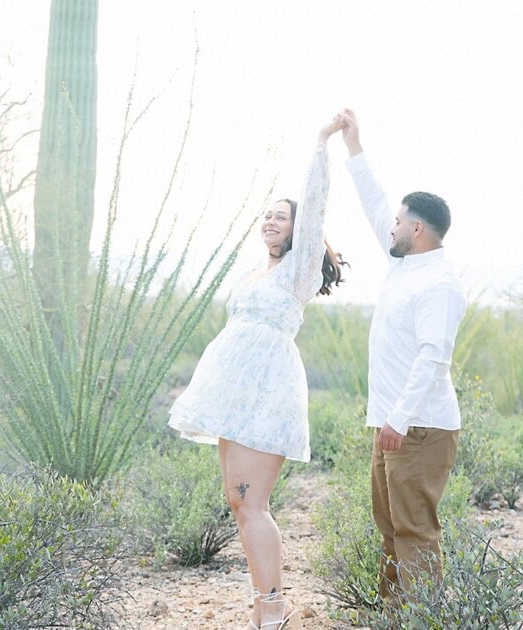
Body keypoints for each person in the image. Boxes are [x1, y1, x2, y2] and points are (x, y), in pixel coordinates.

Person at [168, 116, 347, 629]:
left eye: (281, 217)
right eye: (266, 216)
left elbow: (314, 206)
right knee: (238, 501)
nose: (271, 221)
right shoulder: (256, 273)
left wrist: (319, 144)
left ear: (299, 231)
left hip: (267, 392)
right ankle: (264, 601)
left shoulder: (299, 270)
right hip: (232, 393)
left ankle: (273, 609)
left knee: (252, 503)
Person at [337, 108, 467, 601]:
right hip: (393, 425)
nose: (388, 226)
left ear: (416, 230)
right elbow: (374, 205)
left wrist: (398, 419)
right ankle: (392, 615)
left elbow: (433, 359)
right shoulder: (405, 267)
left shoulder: (438, 283)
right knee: (390, 528)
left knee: (414, 531)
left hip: (419, 427)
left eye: (397, 222)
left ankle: (423, 618)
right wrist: (354, 147)